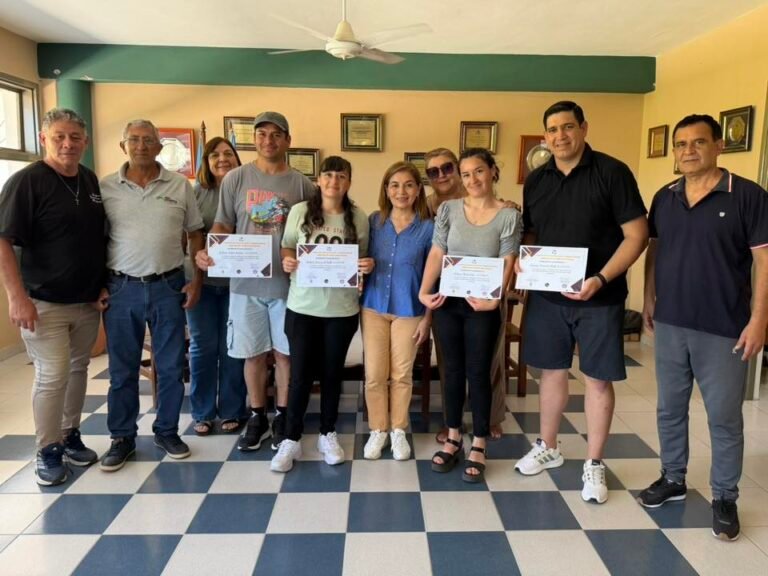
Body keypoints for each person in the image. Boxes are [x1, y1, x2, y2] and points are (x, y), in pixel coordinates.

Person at [637, 114, 768, 541]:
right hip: (672, 323)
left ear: (718, 147)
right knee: (669, 409)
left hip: (724, 327)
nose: (688, 151)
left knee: (724, 418)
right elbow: (655, 250)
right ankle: (673, 477)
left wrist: (759, 320)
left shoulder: (748, 196)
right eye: (681, 144)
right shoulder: (665, 196)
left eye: (697, 142)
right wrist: (649, 297)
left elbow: (765, 262)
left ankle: (725, 496)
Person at [515, 101, 648, 504]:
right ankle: (549, 446)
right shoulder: (536, 180)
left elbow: (637, 235)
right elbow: (531, 235)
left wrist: (601, 278)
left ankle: (594, 463)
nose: (560, 136)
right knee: (551, 373)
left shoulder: (613, 172)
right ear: (544, 137)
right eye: (552, 130)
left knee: (596, 378)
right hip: (547, 297)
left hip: (599, 296)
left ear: (584, 128)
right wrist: (524, 267)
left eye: (568, 127)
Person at [196, 111, 315, 453]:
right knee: (251, 355)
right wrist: (211, 250)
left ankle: (283, 415)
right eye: (261, 134)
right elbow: (223, 225)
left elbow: (311, 233)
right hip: (245, 285)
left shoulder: (301, 184)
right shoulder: (236, 178)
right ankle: (257, 415)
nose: (268, 140)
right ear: (254, 139)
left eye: (276, 134)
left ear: (287, 140)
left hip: (288, 288)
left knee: (284, 355)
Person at [0, 108, 106, 485]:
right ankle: (47, 450)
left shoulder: (89, 180)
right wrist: (17, 297)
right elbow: (4, 240)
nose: (68, 143)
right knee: (52, 376)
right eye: (60, 136)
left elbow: (96, 241)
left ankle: (69, 434)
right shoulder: (27, 182)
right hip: (43, 303)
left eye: (75, 137)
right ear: (44, 138)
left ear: (85, 142)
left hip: (86, 301)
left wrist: (101, 286)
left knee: (78, 371)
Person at [99, 119, 205, 471]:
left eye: (148, 141)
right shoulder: (106, 188)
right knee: (122, 370)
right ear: (123, 146)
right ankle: (122, 437)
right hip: (121, 288)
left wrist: (196, 281)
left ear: (160, 147)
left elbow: (195, 235)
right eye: (134, 140)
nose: (141, 146)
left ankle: (167, 431)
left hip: (168, 286)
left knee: (172, 366)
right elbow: (95, 240)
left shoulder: (179, 186)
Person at [419, 148, 521, 483]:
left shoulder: (508, 215)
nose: (472, 179)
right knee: (451, 370)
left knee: (478, 373)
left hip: (484, 305)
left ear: (492, 171)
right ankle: (452, 437)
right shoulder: (447, 209)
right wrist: (425, 290)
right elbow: (438, 251)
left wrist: (498, 298)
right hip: (449, 302)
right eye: (465, 174)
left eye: (479, 171)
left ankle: (478, 442)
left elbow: (508, 259)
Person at [270, 156, 372, 472]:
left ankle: (328, 433)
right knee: (300, 374)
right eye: (327, 175)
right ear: (318, 179)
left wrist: (366, 266)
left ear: (349, 182)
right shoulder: (301, 211)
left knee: (331, 374)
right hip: (303, 307)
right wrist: (288, 261)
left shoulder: (359, 217)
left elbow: (363, 257)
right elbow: (287, 247)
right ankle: (291, 438)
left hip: (341, 310)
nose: (333, 182)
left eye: (341, 176)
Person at [361, 161, 433, 460]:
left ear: (418, 190)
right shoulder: (373, 221)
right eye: (394, 185)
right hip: (374, 306)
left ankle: (398, 430)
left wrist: (428, 319)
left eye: (408, 185)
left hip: (410, 309)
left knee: (402, 374)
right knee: (375, 374)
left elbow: (436, 276)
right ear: (386, 190)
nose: (401, 191)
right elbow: (357, 258)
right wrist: (362, 265)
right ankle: (378, 430)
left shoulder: (429, 227)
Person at [186, 137, 247, 436]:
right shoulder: (195, 193)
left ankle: (234, 409)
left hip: (239, 285)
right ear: (205, 162)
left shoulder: (246, 191)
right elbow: (187, 237)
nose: (222, 159)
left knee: (234, 348)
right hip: (202, 285)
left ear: (237, 158)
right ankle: (203, 411)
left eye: (228, 154)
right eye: (215, 155)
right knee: (202, 348)